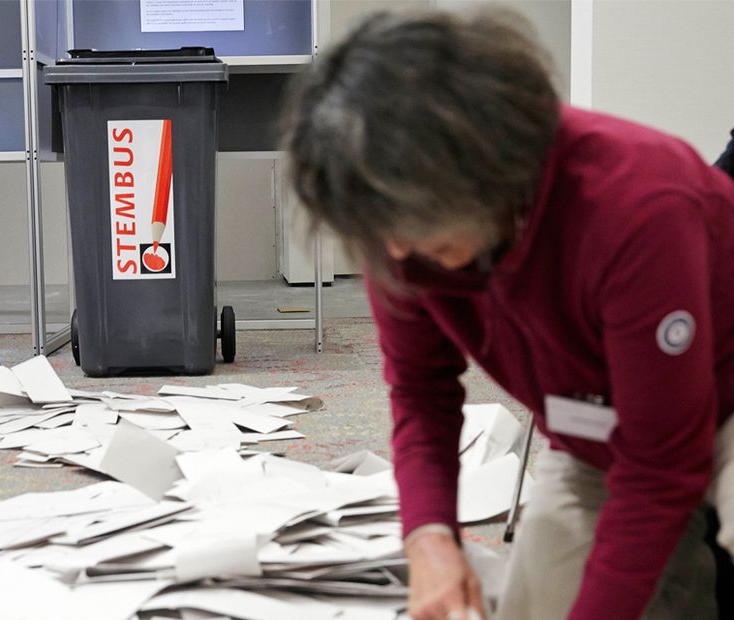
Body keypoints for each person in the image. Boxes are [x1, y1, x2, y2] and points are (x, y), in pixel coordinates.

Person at [283, 8, 733, 620]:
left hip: (724, 393)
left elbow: (661, 467)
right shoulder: (398, 219)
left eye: (408, 231)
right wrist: (429, 537)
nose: (392, 253)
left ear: (482, 168)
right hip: (600, 428)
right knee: (542, 603)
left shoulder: (638, 208)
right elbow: (421, 393)